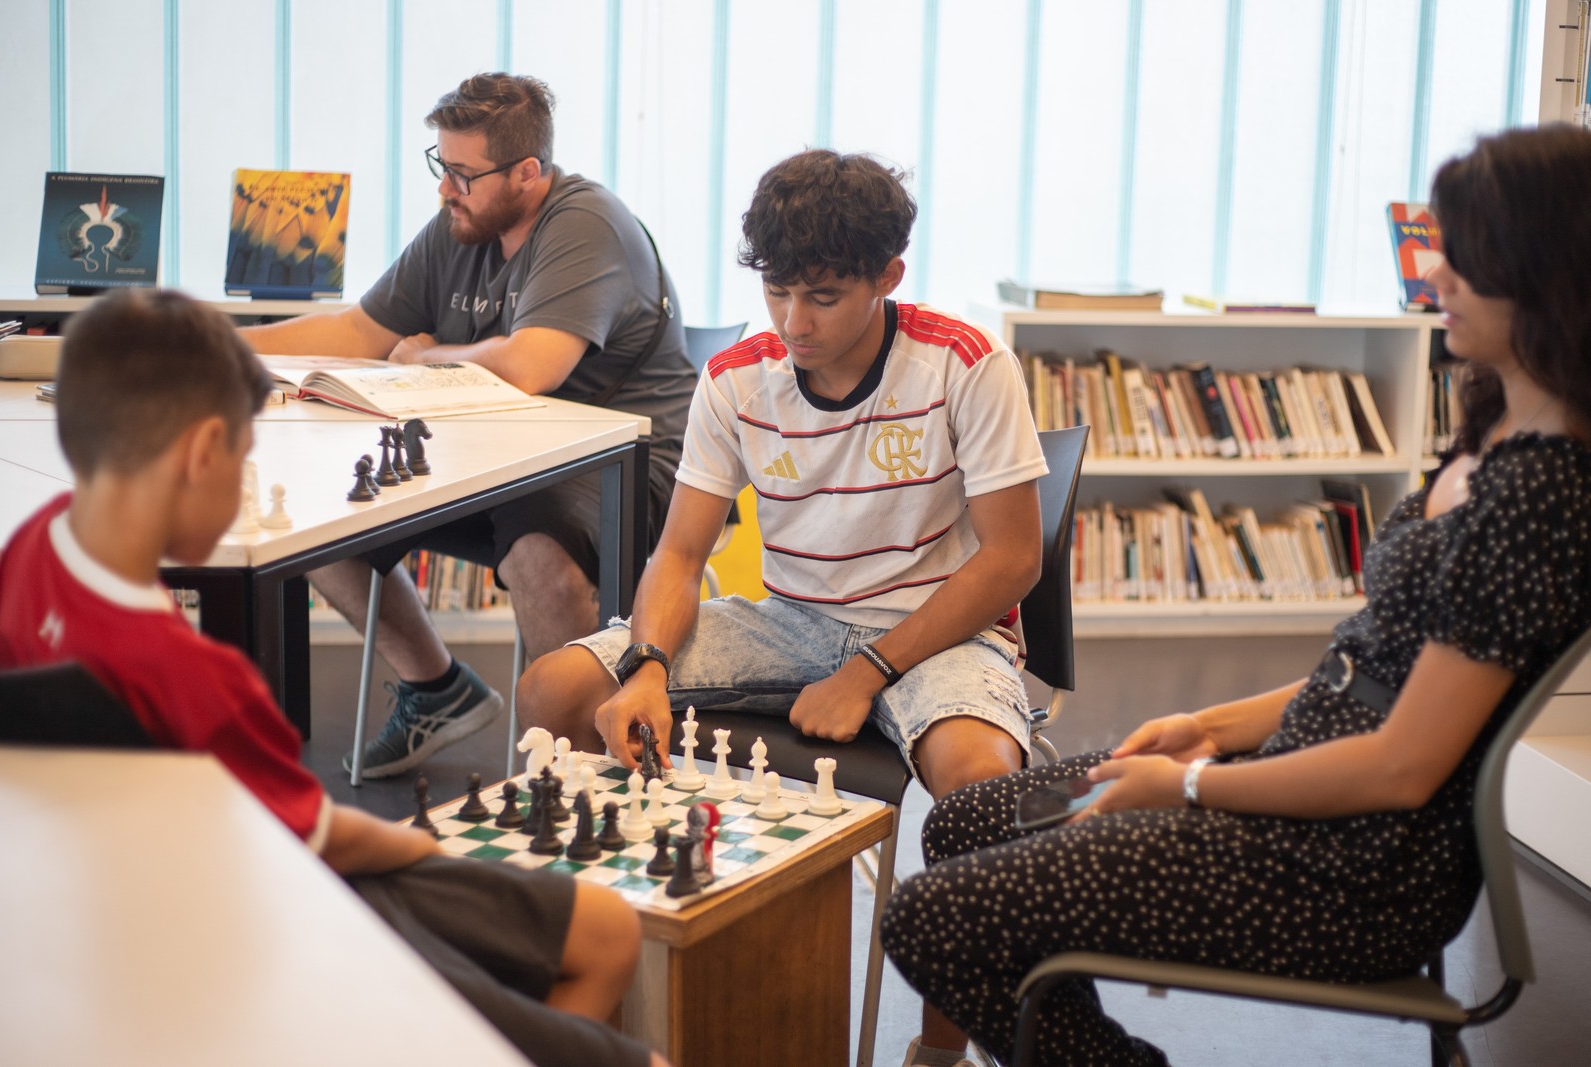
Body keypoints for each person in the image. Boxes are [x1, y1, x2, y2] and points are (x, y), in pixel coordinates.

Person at [879, 124, 1591, 1066]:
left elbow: (1400, 767)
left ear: (1544, 274)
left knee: (929, 918)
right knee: (965, 820)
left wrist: (1185, 784)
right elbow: (1363, 671)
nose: (1438, 280)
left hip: (1348, 866)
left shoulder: (1541, 496)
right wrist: (1207, 725)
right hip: (1307, 785)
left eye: (1470, 259)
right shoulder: (1491, 433)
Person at [0, 289, 666, 1067]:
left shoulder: (27, 556)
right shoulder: (197, 676)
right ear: (203, 451)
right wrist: (444, 845)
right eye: (246, 456)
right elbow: (327, 836)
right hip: (289, 915)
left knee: (606, 929)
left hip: (150, 903)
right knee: (620, 978)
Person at [516, 148, 1049, 1065]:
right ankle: (620, 979)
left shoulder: (966, 365)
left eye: (824, 297)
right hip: (791, 619)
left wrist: (868, 669)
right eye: (776, 293)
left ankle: (942, 1045)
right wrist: (645, 666)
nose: (793, 322)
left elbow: (1011, 561)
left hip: (936, 629)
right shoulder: (733, 378)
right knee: (557, 689)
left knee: (978, 775)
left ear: (889, 276)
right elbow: (681, 553)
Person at [241, 73, 695, 779]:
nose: (445, 188)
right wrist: (210, 343)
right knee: (316, 517)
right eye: (440, 166)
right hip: (498, 461)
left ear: (527, 173)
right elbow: (359, 328)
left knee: (536, 551)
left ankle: (576, 768)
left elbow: (527, 368)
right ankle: (435, 688)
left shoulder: (586, 225)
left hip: (621, 468)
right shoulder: (461, 225)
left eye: (461, 173)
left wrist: (427, 354)